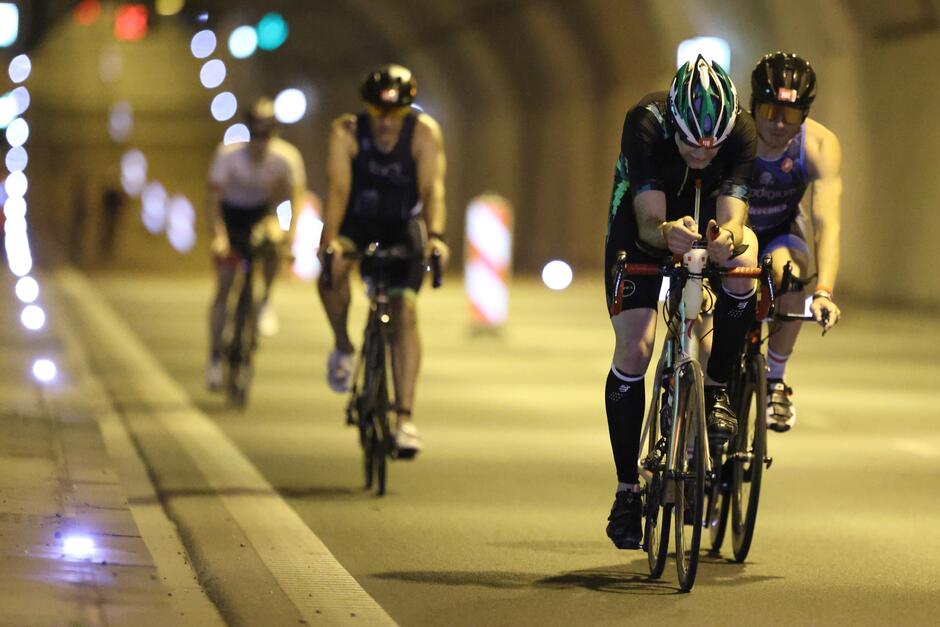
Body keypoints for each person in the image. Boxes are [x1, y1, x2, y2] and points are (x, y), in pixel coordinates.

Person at [603, 55, 759, 549]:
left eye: (713, 144)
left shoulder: (741, 135)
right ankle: (628, 490)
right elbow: (649, 221)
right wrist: (667, 231)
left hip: (705, 215)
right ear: (675, 123)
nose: (703, 153)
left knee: (747, 255)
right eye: (692, 143)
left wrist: (727, 241)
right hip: (645, 222)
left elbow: (734, 216)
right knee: (636, 350)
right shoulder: (645, 123)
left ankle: (716, 389)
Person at [318, 64, 449, 457]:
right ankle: (342, 345)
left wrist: (437, 237)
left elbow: (432, 188)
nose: (388, 122)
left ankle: (405, 417)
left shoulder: (424, 132)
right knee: (332, 269)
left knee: (405, 311)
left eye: (396, 113)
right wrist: (331, 244)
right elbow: (339, 188)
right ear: (366, 108)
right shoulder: (345, 131)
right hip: (358, 222)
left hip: (402, 226)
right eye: (379, 113)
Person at [748, 52, 842, 432]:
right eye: (769, 111)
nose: (777, 124)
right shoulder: (735, 136)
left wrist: (823, 291)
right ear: (753, 105)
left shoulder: (819, 145)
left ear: (804, 114)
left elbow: (827, 222)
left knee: (789, 273)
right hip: (729, 231)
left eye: (790, 115)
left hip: (780, 230)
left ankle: (775, 379)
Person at [205, 98, 307, 389]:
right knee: (225, 284)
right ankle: (214, 357)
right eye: (256, 134)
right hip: (231, 215)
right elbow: (212, 202)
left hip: (261, 213)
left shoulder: (287, 157)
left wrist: (289, 236)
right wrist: (220, 237)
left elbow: (295, 198)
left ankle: (265, 302)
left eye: (267, 134)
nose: (262, 141)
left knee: (274, 242)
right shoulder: (228, 156)